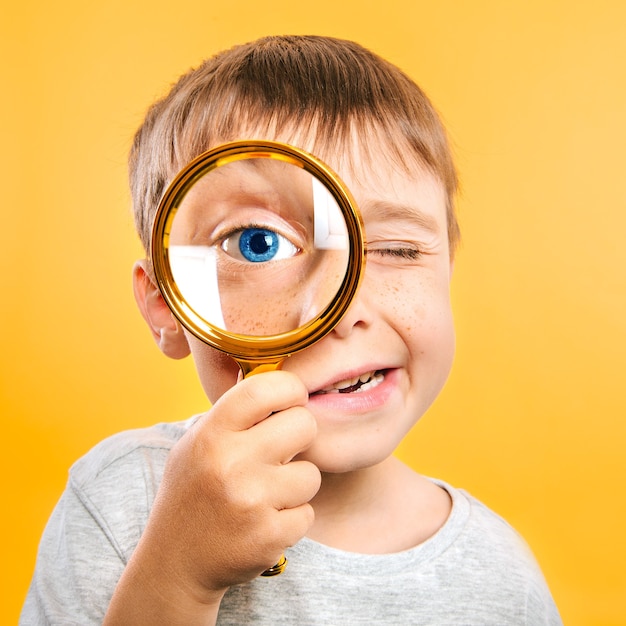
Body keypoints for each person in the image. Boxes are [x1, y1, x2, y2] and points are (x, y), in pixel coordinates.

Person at [21, 35, 562, 624]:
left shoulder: (502, 580)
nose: (341, 307)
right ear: (166, 302)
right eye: (259, 244)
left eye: (398, 248)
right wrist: (178, 576)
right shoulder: (117, 501)